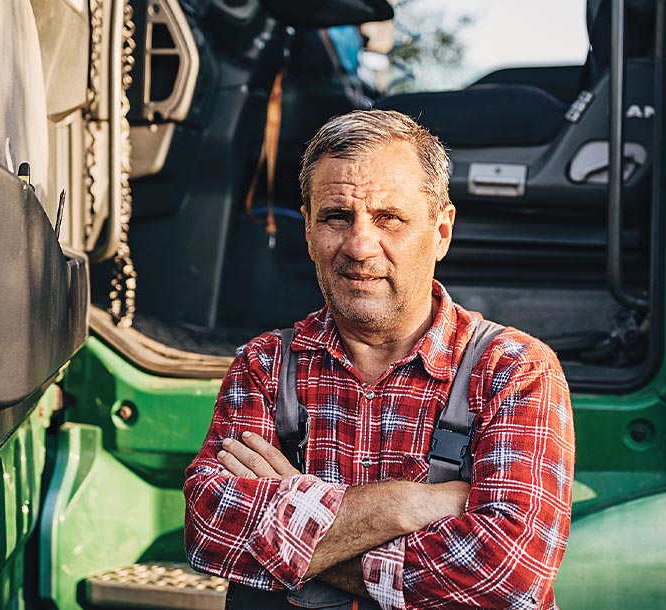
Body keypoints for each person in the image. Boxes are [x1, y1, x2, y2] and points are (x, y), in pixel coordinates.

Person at [183, 110, 574, 609]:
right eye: (336, 217)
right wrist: (403, 505)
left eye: (389, 218)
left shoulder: (513, 370)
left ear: (441, 231)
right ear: (308, 232)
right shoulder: (265, 364)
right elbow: (209, 530)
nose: (360, 245)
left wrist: (293, 530)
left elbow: (508, 575)